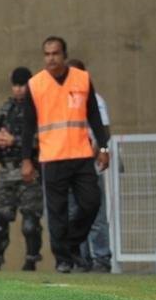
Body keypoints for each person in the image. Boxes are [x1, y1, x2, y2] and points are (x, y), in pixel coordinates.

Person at [21, 37, 111, 273]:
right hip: (52, 157)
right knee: (57, 212)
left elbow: (94, 116)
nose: (51, 58)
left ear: (64, 55)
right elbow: (28, 126)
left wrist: (103, 148)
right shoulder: (36, 84)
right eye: (47, 54)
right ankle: (63, 259)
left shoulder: (82, 79)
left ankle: (70, 243)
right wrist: (26, 159)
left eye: (55, 53)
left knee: (92, 202)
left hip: (81, 154)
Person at [0, 67, 43, 271]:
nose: (18, 89)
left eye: (22, 85)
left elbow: (42, 138)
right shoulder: (6, 108)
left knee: (30, 225)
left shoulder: (38, 108)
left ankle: (31, 262)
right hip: (6, 172)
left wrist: (15, 140)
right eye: (15, 85)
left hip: (29, 172)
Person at [66, 57, 112, 272]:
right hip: (67, 167)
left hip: (88, 167)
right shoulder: (62, 99)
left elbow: (102, 131)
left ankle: (101, 259)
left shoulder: (94, 99)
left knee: (95, 215)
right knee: (74, 215)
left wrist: (95, 154)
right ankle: (80, 260)